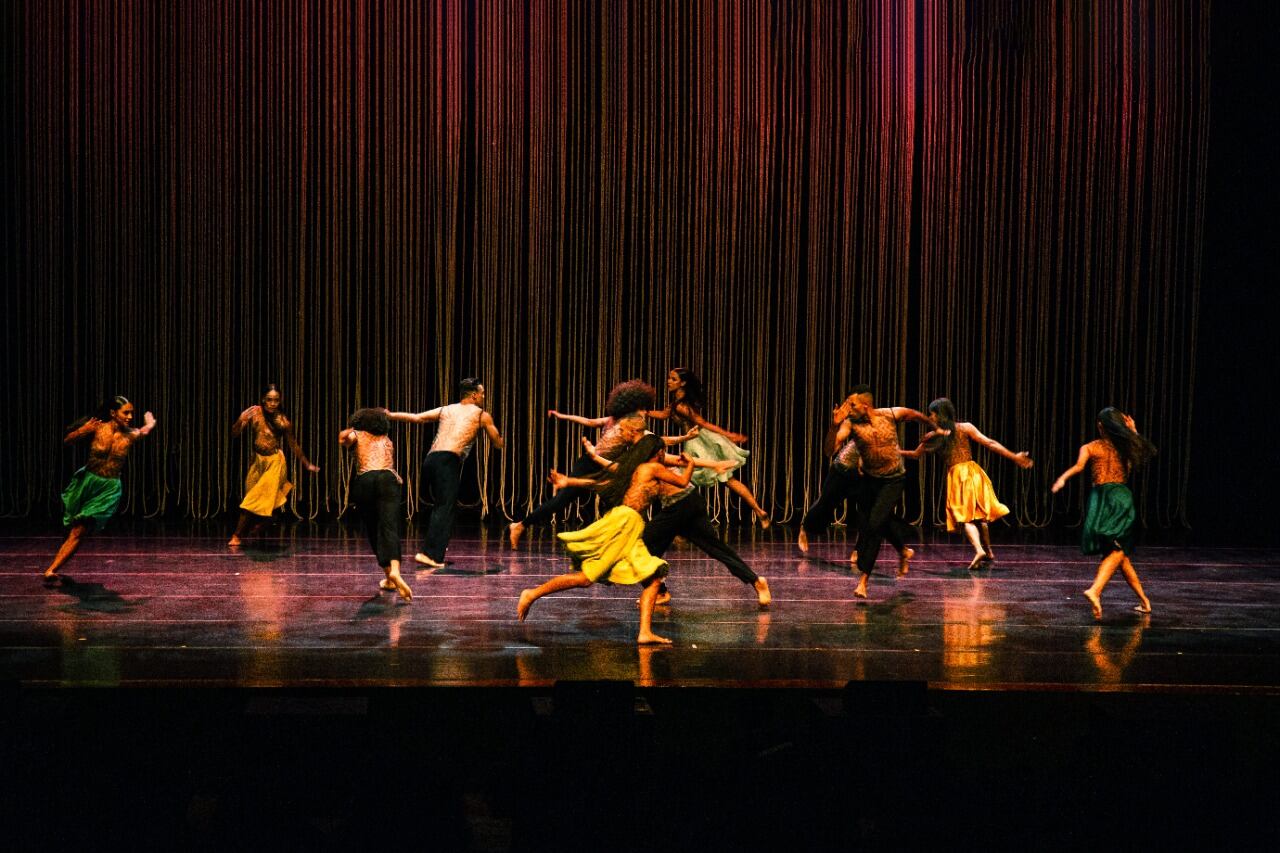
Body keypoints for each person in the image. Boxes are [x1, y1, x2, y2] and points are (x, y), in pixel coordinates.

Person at [516, 433, 694, 644]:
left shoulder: (635, 469)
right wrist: (690, 464)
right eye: (664, 451)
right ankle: (531, 594)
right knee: (586, 579)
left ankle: (645, 633)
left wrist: (569, 481)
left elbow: (602, 482)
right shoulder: (653, 467)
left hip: (629, 524)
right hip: (625, 524)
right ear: (659, 452)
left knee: (654, 579)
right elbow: (683, 482)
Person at [578, 436, 771, 607]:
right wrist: (595, 456)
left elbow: (686, 466)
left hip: (681, 506)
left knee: (642, 546)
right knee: (714, 548)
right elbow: (618, 469)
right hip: (688, 503)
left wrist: (712, 465)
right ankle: (756, 581)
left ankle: (629, 580)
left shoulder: (657, 458)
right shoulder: (643, 463)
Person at [508, 380, 694, 548]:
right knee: (561, 501)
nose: (646, 412)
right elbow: (655, 440)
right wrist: (684, 438)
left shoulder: (619, 421)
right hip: (589, 465)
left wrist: (562, 416)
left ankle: (627, 540)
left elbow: (590, 422)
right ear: (633, 406)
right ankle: (520, 525)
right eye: (643, 409)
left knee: (622, 501)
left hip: (603, 466)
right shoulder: (626, 424)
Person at [901, 398, 1033, 569]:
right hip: (974, 473)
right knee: (980, 515)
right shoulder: (964, 428)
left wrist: (897, 451)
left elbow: (915, 455)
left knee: (965, 519)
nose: (930, 418)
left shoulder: (934, 436)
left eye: (932, 414)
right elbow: (990, 443)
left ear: (940, 415)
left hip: (958, 476)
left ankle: (979, 550)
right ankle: (989, 552)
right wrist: (1014, 456)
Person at [1052, 407, 1156, 619]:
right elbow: (1144, 453)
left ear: (1100, 426)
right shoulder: (1126, 446)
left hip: (1099, 500)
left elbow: (1078, 467)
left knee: (1118, 553)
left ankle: (1144, 601)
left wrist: (1062, 478)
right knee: (1118, 550)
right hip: (1119, 498)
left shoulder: (1090, 447)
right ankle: (1095, 590)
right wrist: (1133, 432)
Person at [388, 378, 504, 568]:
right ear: (474, 395)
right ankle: (431, 555)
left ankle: (433, 551)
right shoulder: (482, 415)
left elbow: (417, 418)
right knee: (445, 509)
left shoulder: (446, 409)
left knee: (441, 507)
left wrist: (390, 415)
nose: (484, 397)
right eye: (482, 393)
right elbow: (497, 443)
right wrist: (499, 439)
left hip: (430, 460)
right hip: (447, 461)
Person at [833, 385, 934, 598]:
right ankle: (903, 551)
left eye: (852, 405)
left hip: (893, 480)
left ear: (865, 405)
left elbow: (913, 414)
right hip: (870, 480)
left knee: (875, 524)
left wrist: (934, 425)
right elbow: (830, 449)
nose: (848, 409)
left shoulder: (889, 414)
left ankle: (863, 582)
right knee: (878, 521)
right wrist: (834, 427)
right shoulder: (850, 423)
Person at [44, 397, 157, 583]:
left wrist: (150, 424)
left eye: (131, 413)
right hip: (87, 482)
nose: (130, 417)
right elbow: (67, 440)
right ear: (113, 413)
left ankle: (51, 570)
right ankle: (61, 555)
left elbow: (143, 431)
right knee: (72, 525)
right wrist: (83, 430)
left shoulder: (130, 435)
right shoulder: (98, 427)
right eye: (126, 412)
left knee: (80, 530)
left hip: (108, 489)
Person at [648, 367, 770, 527]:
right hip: (699, 440)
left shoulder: (682, 406)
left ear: (683, 383)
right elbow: (664, 415)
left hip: (698, 443)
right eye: (669, 378)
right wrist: (644, 412)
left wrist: (729, 435)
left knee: (681, 480)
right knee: (726, 479)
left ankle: (682, 523)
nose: (668, 381)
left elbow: (703, 423)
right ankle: (759, 511)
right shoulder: (677, 402)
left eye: (673, 379)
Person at [228, 384, 319, 547]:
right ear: (263, 400)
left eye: (276, 400)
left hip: (275, 463)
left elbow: (293, 444)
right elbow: (234, 433)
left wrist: (307, 464)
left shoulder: (283, 421)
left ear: (280, 401)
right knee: (258, 500)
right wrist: (240, 419)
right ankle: (265, 524)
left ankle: (237, 536)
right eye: (269, 400)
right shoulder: (254, 413)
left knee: (251, 500)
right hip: (258, 462)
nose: (272, 403)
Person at [339, 408, 412, 602]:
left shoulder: (357, 434)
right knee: (390, 527)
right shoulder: (387, 440)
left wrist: (350, 431)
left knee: (373, 530)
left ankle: (388, 577)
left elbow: (343, 438)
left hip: (365, 481)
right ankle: (395, 571)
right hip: (388, 479)